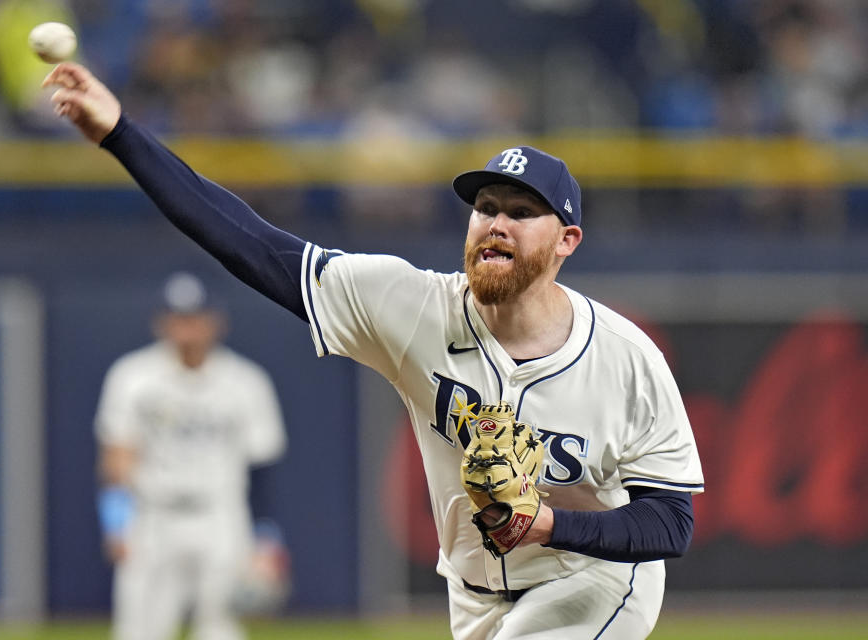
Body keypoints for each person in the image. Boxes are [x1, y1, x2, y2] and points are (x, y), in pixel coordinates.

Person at [48, 62, 703, 640]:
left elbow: (669, 524)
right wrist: (120, 135)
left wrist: (550, 525)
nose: (496, 221)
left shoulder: (624, 358)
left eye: (522, 211)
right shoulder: (411, 306)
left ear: (567, 241)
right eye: (486, 206)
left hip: (591, 581)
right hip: (473, 595)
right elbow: (251, 245)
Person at [94, 271, 288, 640]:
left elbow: (262, 465)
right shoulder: (133, 376)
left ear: (216, 322)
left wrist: (265, 540)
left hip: (221, 516)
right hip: (153, 516)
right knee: (137, 631)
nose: (187, 327)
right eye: (178, 317)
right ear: (161, 323)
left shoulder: (246, 382)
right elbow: (116, 454)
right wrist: (116, 521)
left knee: (219, 629)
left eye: (195, 317)